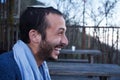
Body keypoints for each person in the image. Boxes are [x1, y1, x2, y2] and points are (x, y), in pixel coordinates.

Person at [0, 6, 68, 80]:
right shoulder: (4, 68)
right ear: (34, 36)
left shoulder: (40, 67)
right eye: (60, 33)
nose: (65, 41)